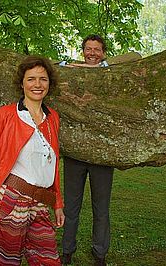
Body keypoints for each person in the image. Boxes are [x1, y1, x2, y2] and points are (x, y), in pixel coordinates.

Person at [0, 55, 65, 265]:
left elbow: (51, 164)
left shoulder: (52, 117)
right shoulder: (4, 115)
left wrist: (58, 203)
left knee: (48, 260)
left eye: (43, 79)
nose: (38, 84)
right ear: (22, 83)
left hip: (41, 202)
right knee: (7, 261)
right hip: (11, 199)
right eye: (31, 79)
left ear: (49, 84)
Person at [60, 35, 114, 266]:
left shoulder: (110, 73)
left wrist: (98, 67)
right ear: (82, 51)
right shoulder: (72, 71)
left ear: (104, 53)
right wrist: (76, 66)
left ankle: (99, 253)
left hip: (102, 154)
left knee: (101, 208)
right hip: (75, 154)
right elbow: (56, 66)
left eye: (97, 50)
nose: (92, 53)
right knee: (71, 206)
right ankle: (67, 251)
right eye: (88, 49)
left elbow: (136, 56)